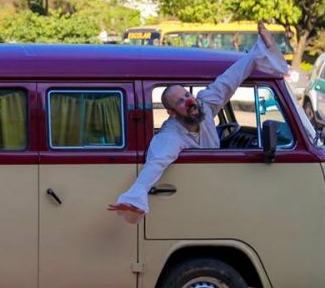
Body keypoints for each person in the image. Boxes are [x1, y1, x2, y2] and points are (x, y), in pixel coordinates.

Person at [107, 22, 288, 223]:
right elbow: (155, 164)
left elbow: (230, 80)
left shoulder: (205, 105)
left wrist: (260, 49)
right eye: (180, 102)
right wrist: (134, 197)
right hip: (199, 197)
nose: (189, 101)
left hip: (215, 190)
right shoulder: (171, 136)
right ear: (171, 113)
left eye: (187, 95)